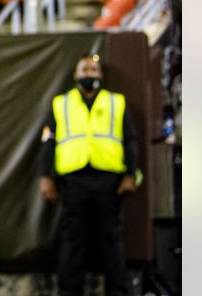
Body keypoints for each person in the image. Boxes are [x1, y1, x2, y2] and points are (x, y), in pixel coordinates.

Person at [39, 54, 141, 296]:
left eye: (94, 70)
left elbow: (131, 141)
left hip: (109, 182)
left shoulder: (116, 103)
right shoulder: (60, 104)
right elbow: (48, 142)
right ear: (76, 75)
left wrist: (131, 175)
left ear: (101, 75)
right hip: (73, 182)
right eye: (84, 69)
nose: (89, 74)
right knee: (73, 241)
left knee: (111, 240)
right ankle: (69, 291)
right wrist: (45, 176)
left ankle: (118, 291)